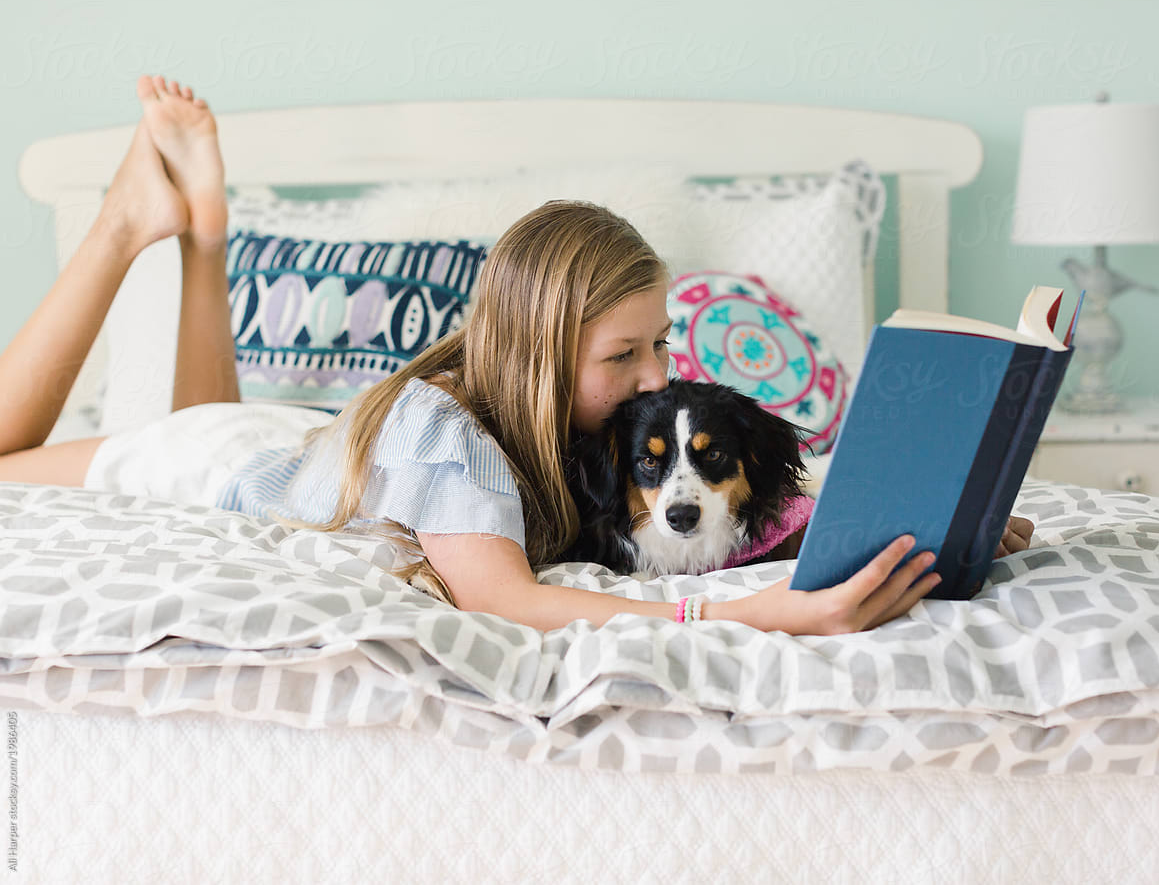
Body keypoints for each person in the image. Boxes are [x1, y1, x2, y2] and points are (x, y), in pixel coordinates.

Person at [0, 75, 1035, 636]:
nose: (654, 377)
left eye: (660, 343)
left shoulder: (570, 441)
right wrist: (754, 618)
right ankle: (127, 222)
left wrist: (917, 529)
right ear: (539, 355)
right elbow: (506, 601)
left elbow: (771, 512)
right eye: (624, 354)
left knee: (208, 416)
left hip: (289, 451)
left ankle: (207, 240)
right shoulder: (449, 437)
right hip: (216, 466)